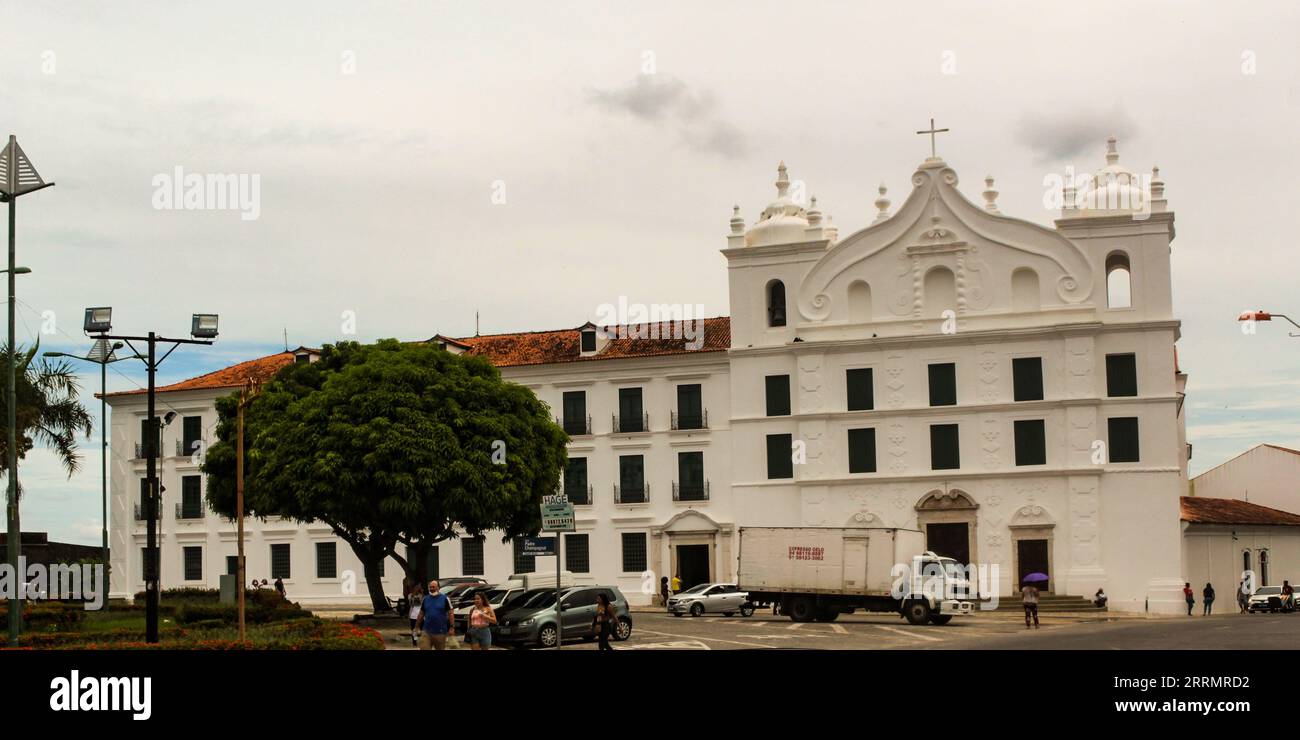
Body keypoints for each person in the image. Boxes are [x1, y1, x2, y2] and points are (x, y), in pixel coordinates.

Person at [417, 579, 456, 650]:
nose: (431, 589)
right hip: (426, 631)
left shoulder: (445, 599)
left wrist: (452, 627)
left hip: (440, 632)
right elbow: (421, 613)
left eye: (433, 587)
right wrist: (417, 627)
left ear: (438, 588)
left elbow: (451, 613)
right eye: (430, 587)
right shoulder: (425, 599)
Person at [407, 582, 425, 646]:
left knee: (423, 629)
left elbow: (423, 602)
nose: (417, 589)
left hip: (421, 615)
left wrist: (422, 593)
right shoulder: (410, 595)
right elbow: (410, 603)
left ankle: (423, 641)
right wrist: (413, 594)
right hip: (413, 615)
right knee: (414, 630)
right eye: (416, 587)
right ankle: (415, 641)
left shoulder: (421, 595)